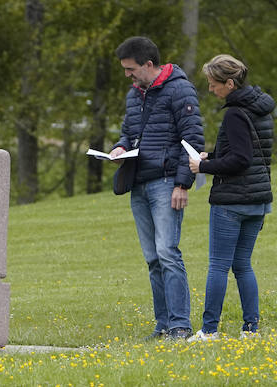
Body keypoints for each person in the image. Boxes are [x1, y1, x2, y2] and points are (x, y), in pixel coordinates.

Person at [109, 36, 204, 341]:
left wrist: (182, 184)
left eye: (131, 69)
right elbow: (128, 131)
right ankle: (162, 325)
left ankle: (180, 325)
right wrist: (120, 148)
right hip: (138, 182)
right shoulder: (134, 94)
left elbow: (193, 139)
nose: (128, 75)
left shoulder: (180, 89)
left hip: (166, 183)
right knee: (152, 258)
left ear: (148, 65)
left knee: (167, 253)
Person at [187, 54, 275, 342]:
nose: (211, 90)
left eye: (214, 84)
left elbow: (240, 160)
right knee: (243, 265)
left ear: (229, 83)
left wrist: (204, 166)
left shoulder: (235, 113)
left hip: (232, 202)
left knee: (218, 266)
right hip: (258, 200)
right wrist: (211, 156)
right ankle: (251, 330)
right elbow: (252, 152)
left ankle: (208, 331)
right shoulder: (260, 108)